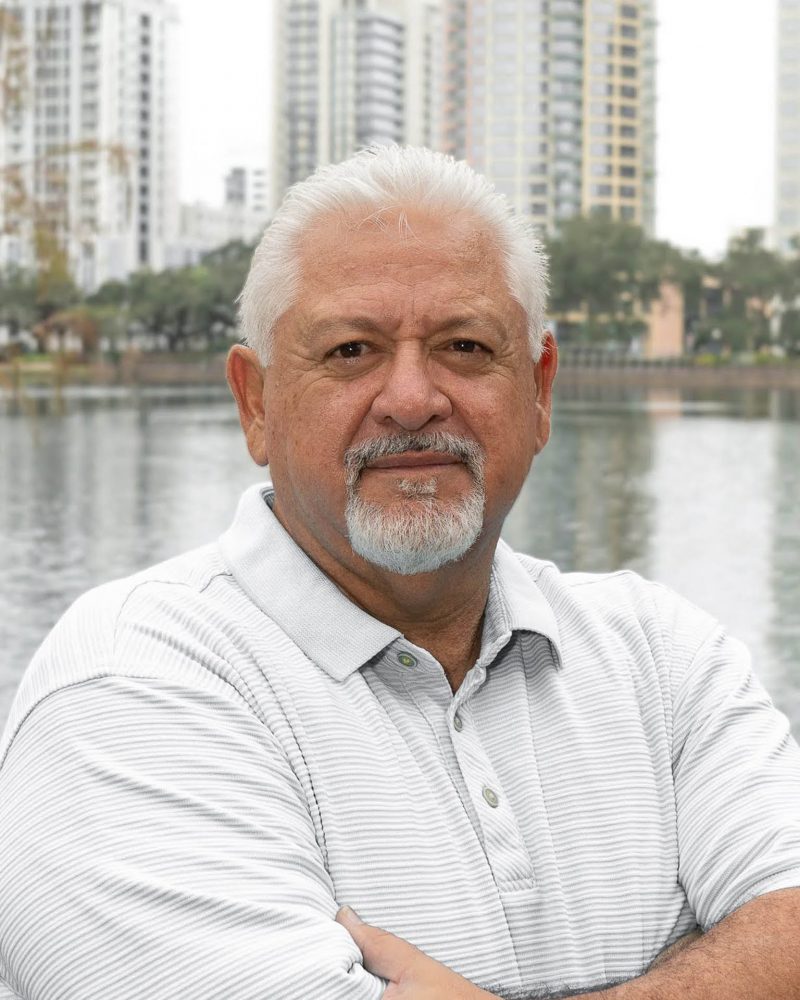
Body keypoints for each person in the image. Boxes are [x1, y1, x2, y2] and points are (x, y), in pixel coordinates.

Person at [0, 145, 799, 1000]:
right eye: (351, 350)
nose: (412, 399)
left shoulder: (663, 659)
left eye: (465, 346)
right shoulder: (131, 686)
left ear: (540, 392)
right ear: (256, 402)